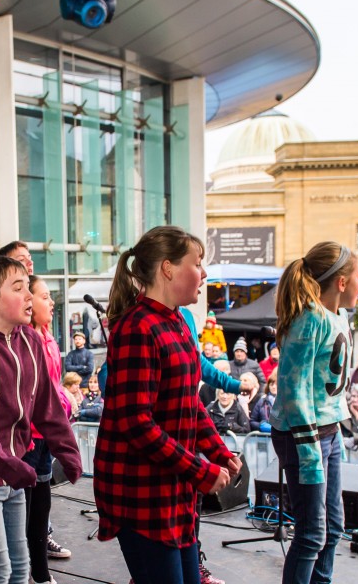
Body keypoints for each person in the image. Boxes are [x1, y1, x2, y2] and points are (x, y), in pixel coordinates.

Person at [93, 227, 238, 584]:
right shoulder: (138, 327)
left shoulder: (174, 322)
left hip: (172, 489)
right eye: (198, 263)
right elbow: (136, 423)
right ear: (169, 269)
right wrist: (200, 471)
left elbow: (188, 403)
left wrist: (217, 451)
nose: (203, 273)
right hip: (141, 494)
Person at [0, 256, 82, 584]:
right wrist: (10, 464)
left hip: (14, 471)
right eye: (17, 288)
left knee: (21, 568)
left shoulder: (31, 340)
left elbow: (47, 405)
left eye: (27, 288)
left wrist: (68, 450)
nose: (27, 296)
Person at [270, 241, 358, 584]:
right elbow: (293, 392)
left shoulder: (337, 317)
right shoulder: (309, 320)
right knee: (311, 534)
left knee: (332, 528)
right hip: (303, 436)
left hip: (329, 430)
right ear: (341, 282)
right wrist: (309, 455)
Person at [22, 274, 75, 582]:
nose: (51, 301)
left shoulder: (49, 338)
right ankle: (21, 570)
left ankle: (41, 573)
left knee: (42, 507)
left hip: (45, 437)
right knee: (25, 511)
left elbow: (54, 386)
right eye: (44, 296)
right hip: (29, 437)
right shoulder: (25, 340)